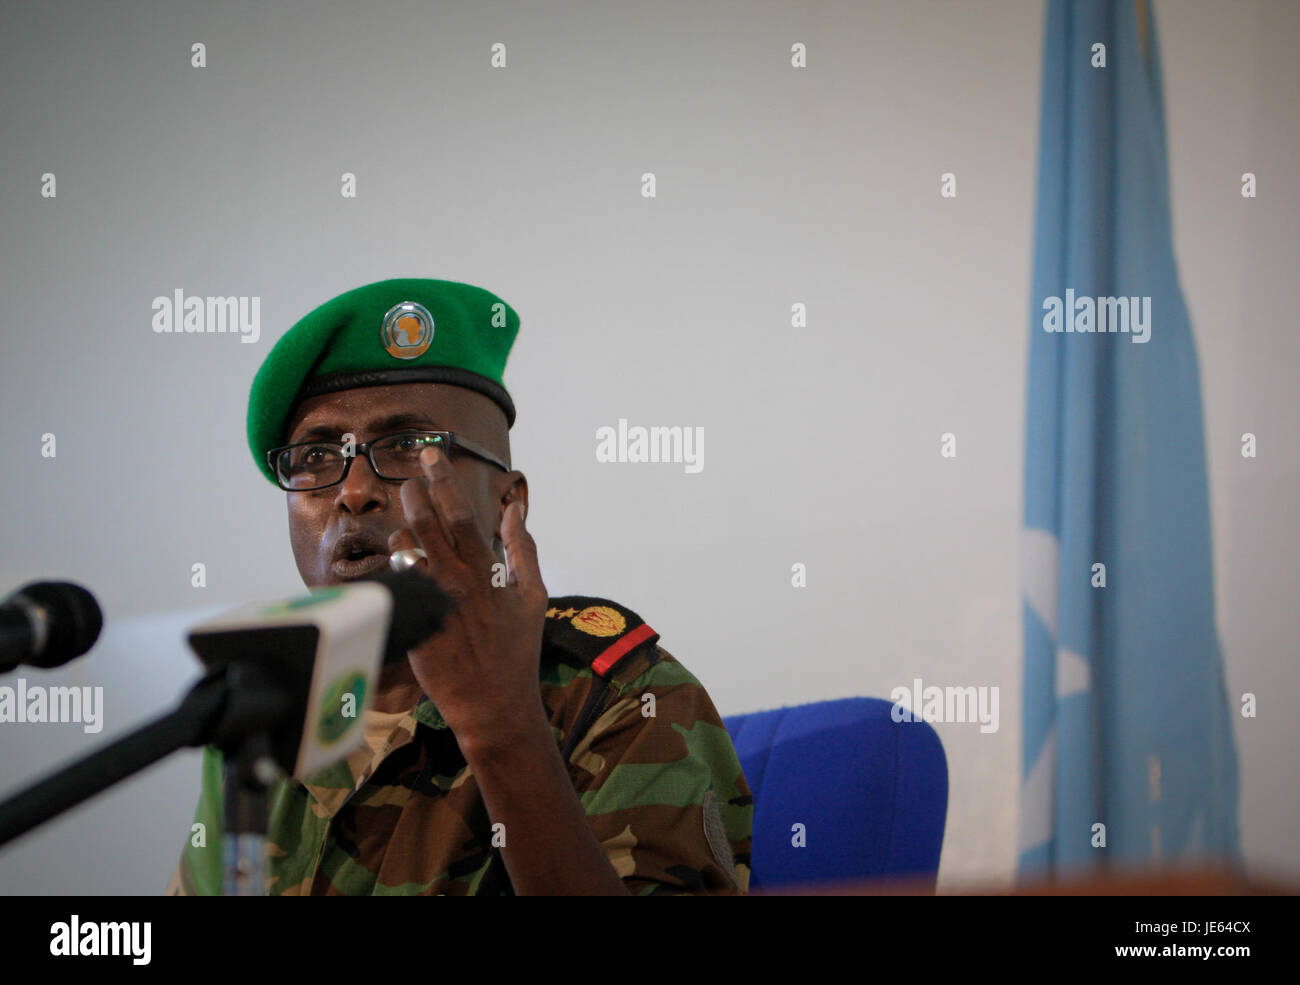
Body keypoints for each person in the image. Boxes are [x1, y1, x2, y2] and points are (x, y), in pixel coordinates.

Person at [166, 278, 753, 895]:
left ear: (508, 503)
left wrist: (499, 727)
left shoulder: (622, 694)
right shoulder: (263, 712)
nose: (352, 491)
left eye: (404, 447)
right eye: (314, 458)